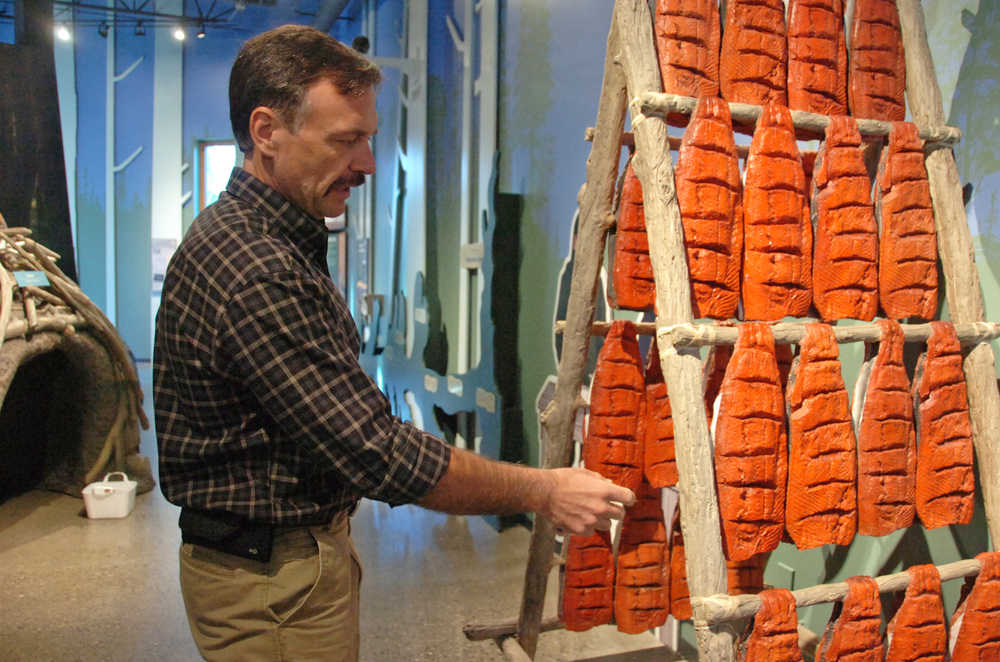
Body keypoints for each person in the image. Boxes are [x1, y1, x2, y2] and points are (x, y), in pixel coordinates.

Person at [153, 24, 634, 662]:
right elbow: (379, 454)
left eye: (368, 140)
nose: (367, 165)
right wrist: (544, 490)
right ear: (267, 132)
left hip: (283, 563)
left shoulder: (268, 239)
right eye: (345, 141)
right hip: (271, 584)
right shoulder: (255, 267)